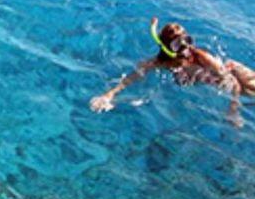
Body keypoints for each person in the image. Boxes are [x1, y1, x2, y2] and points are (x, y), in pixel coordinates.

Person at [90, 18, 255, 127]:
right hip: (213, 79)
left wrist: (233, 110)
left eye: (187, 41)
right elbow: (131, 78)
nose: (186, 49)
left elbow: (233, 84)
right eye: (178, 45)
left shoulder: (201, 57)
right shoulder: (161, 62)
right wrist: (109, 95)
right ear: (168, 49)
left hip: (233, 73)